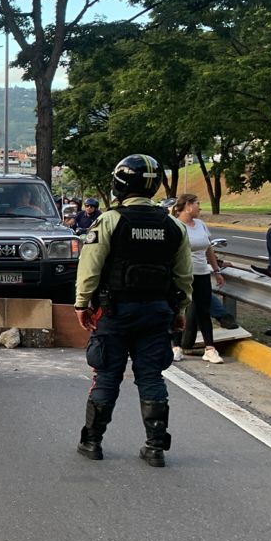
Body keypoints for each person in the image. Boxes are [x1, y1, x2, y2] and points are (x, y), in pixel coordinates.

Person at [74, 155, 193, 468]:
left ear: (120, 183)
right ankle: (155, 447)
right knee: (152, 377)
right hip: (157, 313)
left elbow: (90, 267)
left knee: (107, 375)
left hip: (115, 313)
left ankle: (93, 441)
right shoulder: (175, 226)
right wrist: (179, 309)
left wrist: (82, 303)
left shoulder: (109, 221)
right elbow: (184, 277)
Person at [170, 195, 225, 364]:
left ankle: (210, 349)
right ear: (187, 206)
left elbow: (209, 250)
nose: (199, 208)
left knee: (204, 310)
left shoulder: (201, 225)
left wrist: (216, 270)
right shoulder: (175, 225)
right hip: (182, 275)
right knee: (179, 309)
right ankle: (176, 347)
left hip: (201, 273)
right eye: (197, 204)